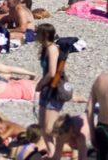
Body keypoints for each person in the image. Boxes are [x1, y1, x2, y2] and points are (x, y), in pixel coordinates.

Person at [34, 24, 64, 156]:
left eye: (38, 33)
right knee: (43, 127)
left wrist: (40, 84)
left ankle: (57, 153)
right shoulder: (45, 48)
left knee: (49, 128)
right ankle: (52, 154)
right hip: (47, 90)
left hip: (54, 90)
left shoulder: (52, 49)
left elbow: (52, 73)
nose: (36, 36)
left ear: (44, 35)